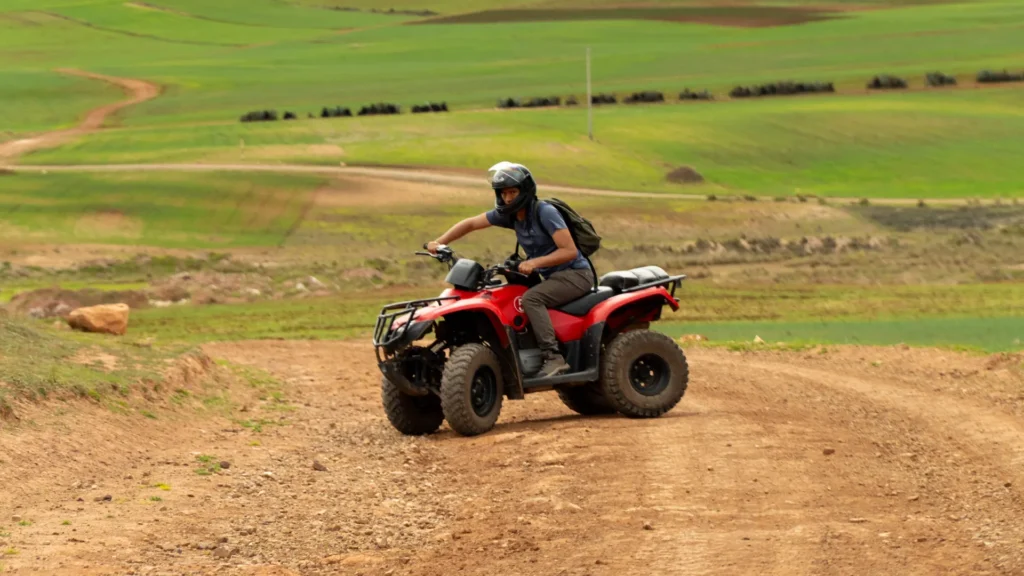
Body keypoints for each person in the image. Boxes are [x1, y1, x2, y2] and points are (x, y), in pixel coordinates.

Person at [425, 161, 594, 377]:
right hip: (553, 277)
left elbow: (569, 251)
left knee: (531, 299)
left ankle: (554, 357)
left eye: (512, 192)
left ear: (525, 191)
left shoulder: (544, 212)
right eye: (503, 193)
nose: (507, 198)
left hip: (576, 274)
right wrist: (439, 243)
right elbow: (471, 223)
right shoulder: (511, 216)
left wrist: (534, 263)